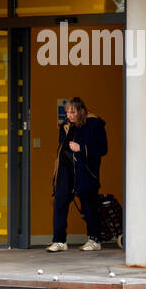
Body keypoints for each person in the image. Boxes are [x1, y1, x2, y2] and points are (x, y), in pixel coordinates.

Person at [47, 97, 108, 252]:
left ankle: (94, 240)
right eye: (67, 112)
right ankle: (59, 241)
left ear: (82, 111)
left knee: (88, 204)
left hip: (85, 171)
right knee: (60, 202)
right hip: (65, 170)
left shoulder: (94, 123)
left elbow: (103, 149)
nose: (69, 115)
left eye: (72, 112)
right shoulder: (66, 126)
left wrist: (82, 148)